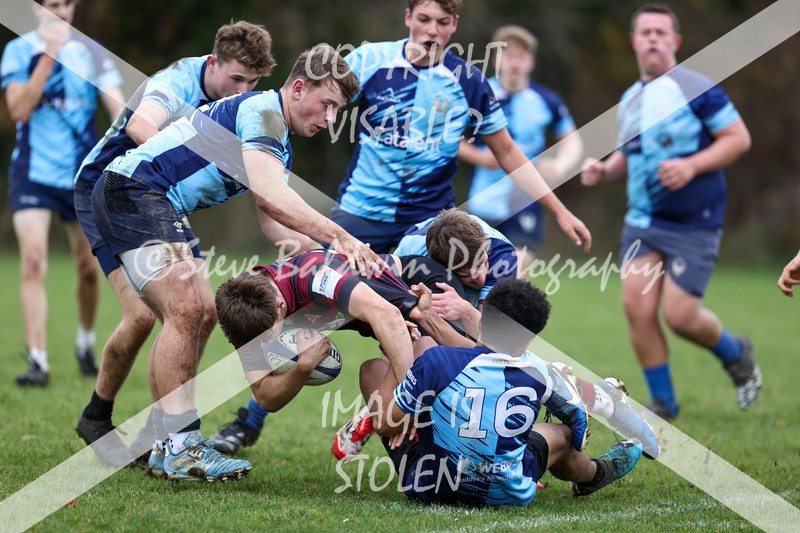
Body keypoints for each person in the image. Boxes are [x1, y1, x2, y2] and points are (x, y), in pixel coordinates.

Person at [90, 45, 377, 482]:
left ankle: (162, 442)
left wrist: (333, 263)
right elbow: (269, 194)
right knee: (185, 308)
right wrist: (339, 235)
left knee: (199, 311)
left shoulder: (276, 136)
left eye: (338, 110)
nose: (331, 119)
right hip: (132, 192)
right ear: (298, 88)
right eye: (329, 104)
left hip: (152, 200)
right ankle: (181, 446)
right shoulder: (264, 113)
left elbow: (276, 226)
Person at [72, 21, 283, 467]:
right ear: (212, 63)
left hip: (161, 201)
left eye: (253, 82)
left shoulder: (240, 106)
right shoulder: (175, 81)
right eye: (236, 78)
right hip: (111, 193)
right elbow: (142, 128)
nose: (243, 89)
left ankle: (161, 431)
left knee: (204, 310)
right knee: (146, 314)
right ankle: (97, 416)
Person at [339, 207, 660, 459]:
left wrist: (465, 310)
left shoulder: (500, 256)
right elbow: (393, 321)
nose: (479, 275)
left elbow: (498, 341)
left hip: (486, 334)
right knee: (426, 355)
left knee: (506, 368)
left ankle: (599, 399)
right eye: (467, 272)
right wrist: (404, 380)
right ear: (442, 265)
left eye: (480, 262)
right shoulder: (412, 251)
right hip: (433, 315)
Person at [580, 3, 759, 418]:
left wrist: (692, 165)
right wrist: (605, 170)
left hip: (695, 223)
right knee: (636, 307)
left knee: (680, 316)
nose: (654, 39)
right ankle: (664, 403)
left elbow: (738, 138)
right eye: (646, 32)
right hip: (643, 221)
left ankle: (736, 352)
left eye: (662, 32)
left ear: (675, 42)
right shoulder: (629, 99)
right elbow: (632, 153)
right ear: (634, 41)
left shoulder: (698, 87)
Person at [331, 0, 591, 255]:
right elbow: (322, 103)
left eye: (442, 22)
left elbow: (508, 152)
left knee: (438, 296)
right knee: (326, 287)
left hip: (430, 220)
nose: (432, 30)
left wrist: (560, 211)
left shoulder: (467, 81)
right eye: (424, 19)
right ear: (408, 17)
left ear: (453, 24)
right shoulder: (368, 60)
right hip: (361, 209)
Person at [357, 278, 643, 505]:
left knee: (372, 369)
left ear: (480, 321)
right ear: (528, 342)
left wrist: (398, 354)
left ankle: (408, 422)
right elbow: (576, 425)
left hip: (430, 487)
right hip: (506, 493)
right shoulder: (538, 371)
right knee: (562, 436)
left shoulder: (438, 361)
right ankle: (593, 474)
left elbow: (382, 424)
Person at [207, 251, 466, 455]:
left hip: (419, 292)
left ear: (280, 305)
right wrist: (302, 368)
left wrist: (409, 402)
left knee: (465, 371)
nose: (263, 348)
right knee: (390, 420)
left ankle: (381, 414)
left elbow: (389, 316)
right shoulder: (243, 311)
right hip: (388, 323)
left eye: (267, 338)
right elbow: (265, 396)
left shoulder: (315, 276)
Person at [1, 0, 124, 387]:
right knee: (34, 261)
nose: (60, 12)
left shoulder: (91, 52)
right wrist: (50, 53)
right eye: (51, 5)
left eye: (66, 4)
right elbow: (19, 109)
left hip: (80, 177)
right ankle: (38, 361)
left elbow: (119, 108)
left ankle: (85, 344)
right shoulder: (18, 50)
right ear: (37, 10)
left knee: (89, 269)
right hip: (32, 175)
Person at [459, 25, 583, 277]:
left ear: (531, 62)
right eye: (508, 55)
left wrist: (560, 165)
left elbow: (572, 141)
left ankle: (506, 316)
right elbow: (448, 137)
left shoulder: (546, 101)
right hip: (483, 198)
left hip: (525, 199)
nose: (514, 62)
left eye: (520, 56)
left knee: (514, 273)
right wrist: (479, 156)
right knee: (475, 276)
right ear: (496, 60)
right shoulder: (478, 94)